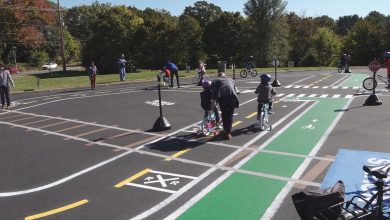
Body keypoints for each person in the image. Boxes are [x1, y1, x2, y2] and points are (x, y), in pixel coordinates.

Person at [210, 72, 239, 140]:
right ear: (224, 76)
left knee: (224, 113)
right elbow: (235, 89)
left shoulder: (215, 80)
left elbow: (213, 92)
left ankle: (226, 131)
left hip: (222, 97)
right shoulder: (231, 79)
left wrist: (213, 103)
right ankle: (228, 131)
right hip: (232, 97)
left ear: (218, 76)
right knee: (230, 114)